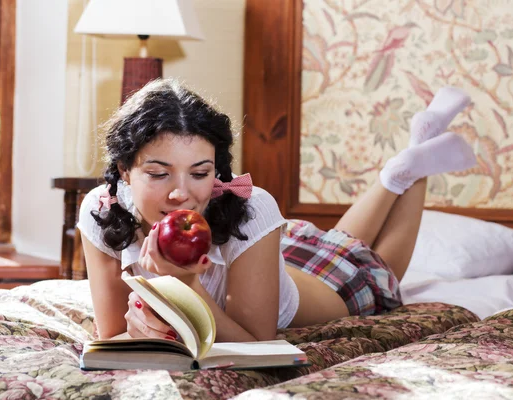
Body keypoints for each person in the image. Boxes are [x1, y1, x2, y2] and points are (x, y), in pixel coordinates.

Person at [78, 79, 476, 342]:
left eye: (200, 173)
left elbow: (256, 344)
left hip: (332, 292)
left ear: (216, 169)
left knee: (376, 263)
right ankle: (406, 160)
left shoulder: (249, 210)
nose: (181, 194)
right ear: (124, 172)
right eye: (159, 173)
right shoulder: (101, 210)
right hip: (280, 263)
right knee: (341, 242)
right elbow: (110, 332)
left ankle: (410, 168)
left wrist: (188, 287)